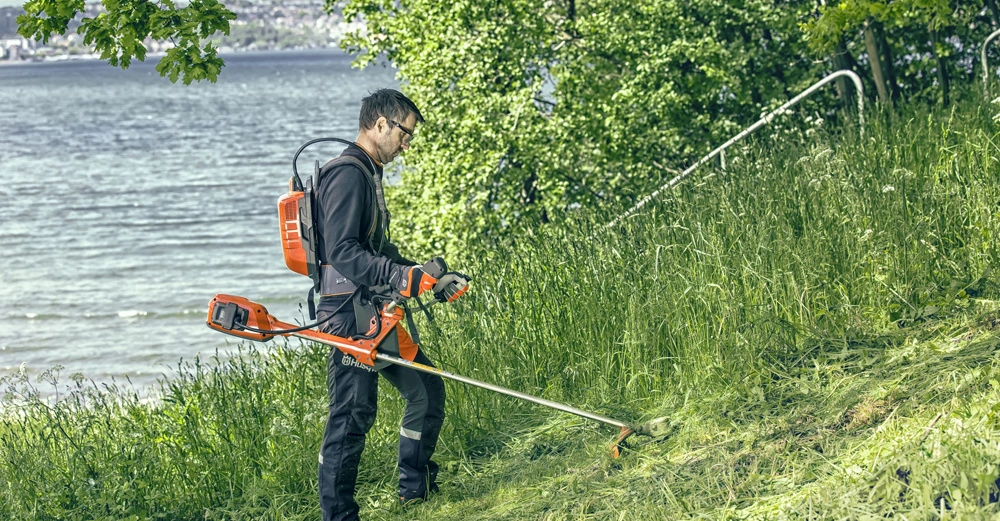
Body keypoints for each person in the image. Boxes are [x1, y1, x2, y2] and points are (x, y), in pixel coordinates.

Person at [313, 88, 459, 521]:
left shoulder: (368, 173)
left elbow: (377, 249)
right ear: (380, 124)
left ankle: (416, 492)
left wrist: (425, 276)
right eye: (404, 133)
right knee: (352, 417)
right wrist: (398, 277)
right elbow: (341, 251)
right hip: (347, 317)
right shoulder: (347, 173)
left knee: (426, 391)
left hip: (375, 311)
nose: (406, 143)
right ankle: (339, 516)